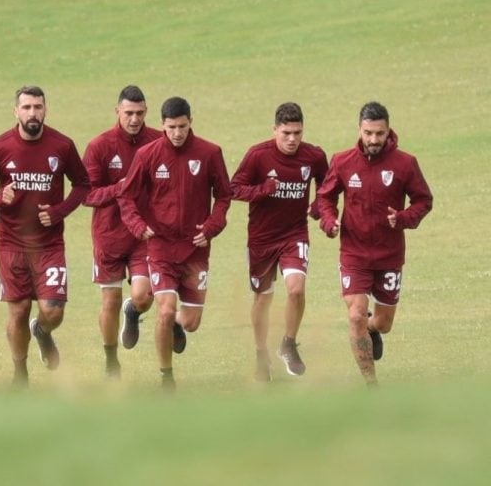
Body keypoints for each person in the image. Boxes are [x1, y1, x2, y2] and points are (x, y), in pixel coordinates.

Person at [0, 85, 90, 388]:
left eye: (37, 107)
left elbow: (83, 184)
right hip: (10, 244)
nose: (32, 113)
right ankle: (19, 372)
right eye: (26, 108)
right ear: (16, 111)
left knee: (53, 310)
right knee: (19, 309)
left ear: (45, 110)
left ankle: (44, 332)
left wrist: (60, 211)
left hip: (49, 244)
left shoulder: (61, 146)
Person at [118, 96, 231, 390]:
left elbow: (224, 196)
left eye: (182, 126)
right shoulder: (148, 155)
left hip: (196, 250)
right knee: (165, 310)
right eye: (171, 127)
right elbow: (126, 197)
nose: (177, 133)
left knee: (190, 321)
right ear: (162, 125)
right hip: (161, 248)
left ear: (191, 122)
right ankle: (166, 377)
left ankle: (176, 325)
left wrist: (211, 227)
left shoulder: (210, 153)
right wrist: (137, 225)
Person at [317, 101, 433, 386]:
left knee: (383, 323)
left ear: (388, 130)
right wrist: (329, 222)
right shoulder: (342, 161)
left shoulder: (405, 164)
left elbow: (424, 200)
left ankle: (372, 330)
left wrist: (404, 218)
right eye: (368, 133)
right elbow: (325, 198)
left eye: (379, 134)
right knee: (355, 315)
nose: (373, 140)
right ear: (359, 129)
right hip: (354, 254)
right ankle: (371, 385)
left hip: (389, 256)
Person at [230, 102, 329, 381]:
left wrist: (319, 204)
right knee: (263, 297)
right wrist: (263, 190)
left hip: (294, 234)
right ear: (274, 130)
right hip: (261, 238)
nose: (292, 139)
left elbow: (328, 183)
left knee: (296, 290)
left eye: (297, 132)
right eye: (286, 132)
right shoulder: (257, 156)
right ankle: (261, 353)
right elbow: (233, 188)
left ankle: (288, 343)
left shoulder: (314, 156)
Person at [82, 86, 163, 377]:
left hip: (143, 234)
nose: (134, 119)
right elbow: (87, 195)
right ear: (117, 111)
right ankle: (110, 359)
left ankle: (134, 311)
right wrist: (123, 187)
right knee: (110, 301)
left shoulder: (158, 141)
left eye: (140, 113)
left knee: (143, 296)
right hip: (109, 235)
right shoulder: (99, 146)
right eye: (128, 113)